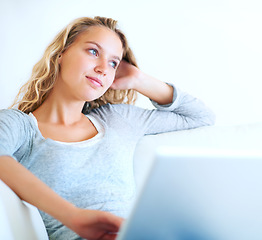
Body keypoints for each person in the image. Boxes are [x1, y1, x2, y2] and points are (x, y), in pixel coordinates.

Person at [0, 16, 215, 240]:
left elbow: (200, 117)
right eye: (93, 52)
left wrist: (139, 79)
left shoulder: (117, 119)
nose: (103, 68)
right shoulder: (20, 126)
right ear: (60, 54)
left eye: (113, 63)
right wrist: (73, 217)